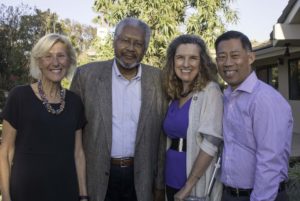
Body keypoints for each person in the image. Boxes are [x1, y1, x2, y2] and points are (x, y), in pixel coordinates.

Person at [70, 17, 166, 201]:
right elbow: (73, 132)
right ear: (114, 41)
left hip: (140, 180)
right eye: (125, 40)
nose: (131, 48)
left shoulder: (158, 80)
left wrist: (159, 184)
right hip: (96, 178)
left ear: (145, 48)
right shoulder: (86, 76)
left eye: (138, 43)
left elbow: (161, 139)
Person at [0, 33, 88, 201]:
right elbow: (5, 152)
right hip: (25, 193)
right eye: (48, 56)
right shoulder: (19, 96)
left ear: (69, 61)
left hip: (65, 192)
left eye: (61, 56)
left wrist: (83, 196)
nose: (55, 62)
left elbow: (78, 153)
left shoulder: (75, 102)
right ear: (39, 62)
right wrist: (5, 197)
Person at [215, 30, 293, 201]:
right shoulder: (228, 96)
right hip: (230, 194)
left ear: (250, 58)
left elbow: (270, 161)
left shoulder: (264, 100)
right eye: (221, 57)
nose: (227, 63)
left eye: (235, 55)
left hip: (263, 196)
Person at [162, 34, 223, 201]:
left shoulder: (210, 91)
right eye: (180, 57)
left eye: (193, 58)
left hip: (193, 181)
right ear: (173, 62)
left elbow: (211, 143)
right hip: (170, 175)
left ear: (202, 63)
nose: (186, 64)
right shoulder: (173, 94)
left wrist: (188, 186)